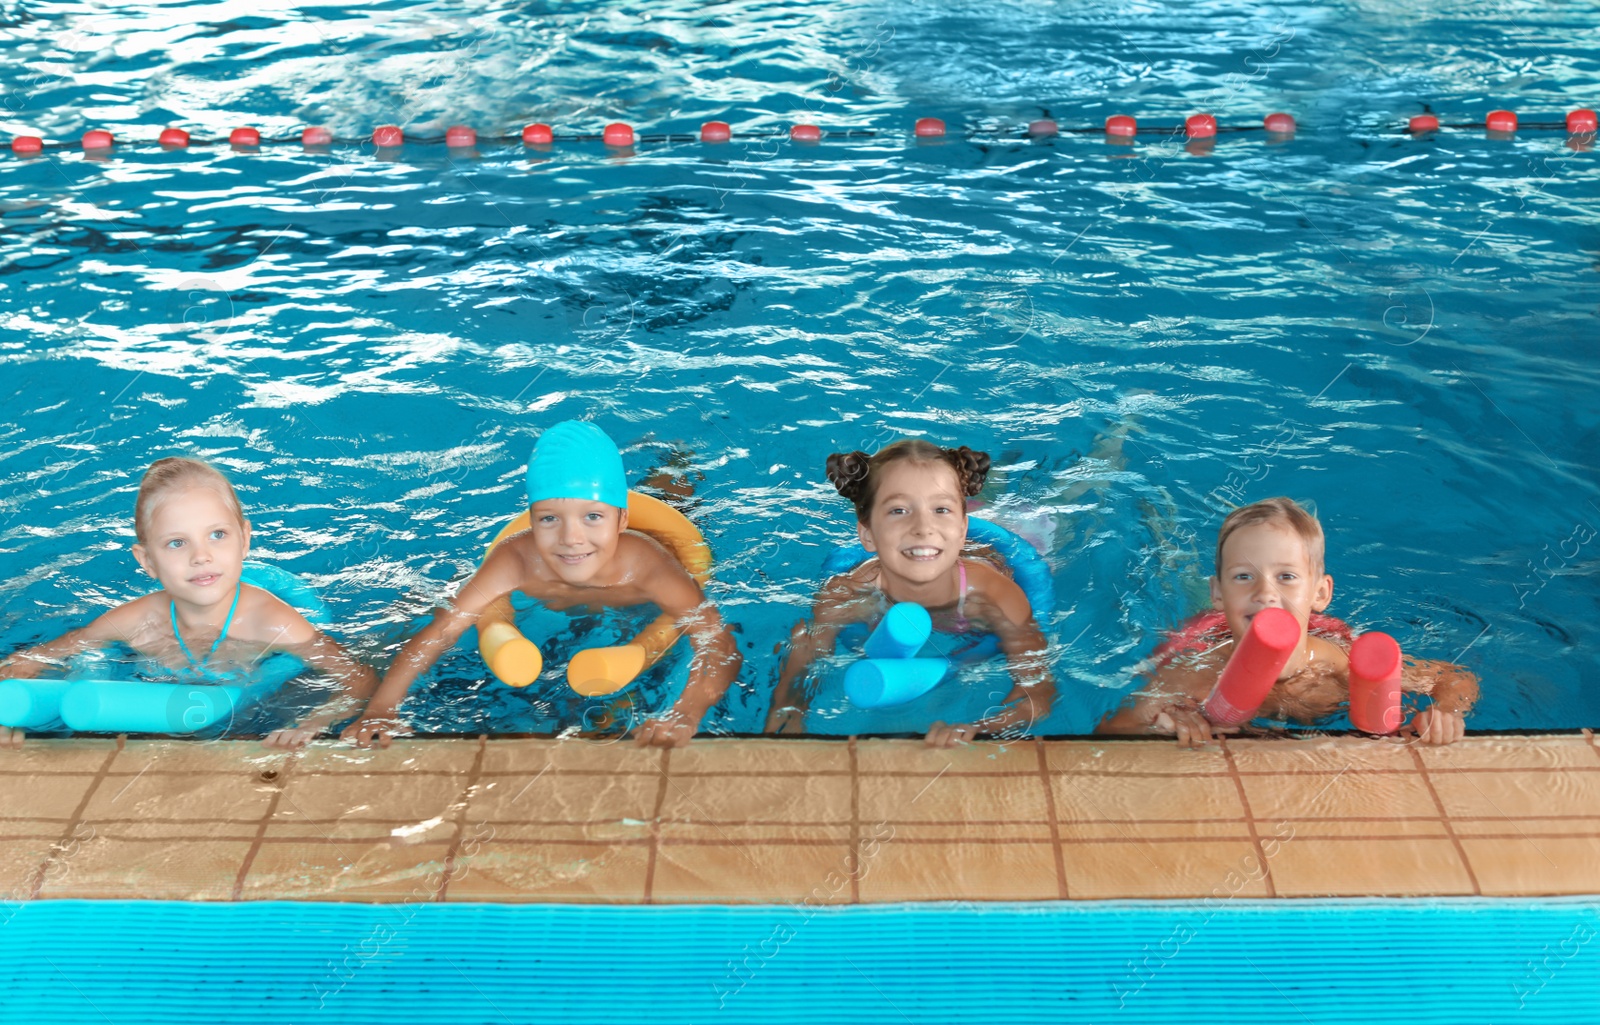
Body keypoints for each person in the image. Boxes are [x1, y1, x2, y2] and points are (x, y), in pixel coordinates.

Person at [342, 420, 740, 748]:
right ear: (531, 521)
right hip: (583, 588)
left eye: (593, 518)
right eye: (550, 519)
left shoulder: (646, 564)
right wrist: (382, 709)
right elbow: (443, 629)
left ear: (622, 520)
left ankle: (675, 458)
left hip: (658, 560)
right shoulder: (516, 557)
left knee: (674, 490)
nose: (571, 538)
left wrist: (685, 713)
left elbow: (717, 641)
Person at [0, 457, 377, 749]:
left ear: (244, 540)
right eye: (177, 543)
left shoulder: (273, 622)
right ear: (147, 561)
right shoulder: (136, 621)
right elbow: (30, 661)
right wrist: (10, 716)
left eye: (217, 535)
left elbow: (360, 680)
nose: (201, 556)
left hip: (261, 681)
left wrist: (313, 722)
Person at [1097, 497, 1479, 747]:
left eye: (1286, 577)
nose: (1265, 594)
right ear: (1219, 593)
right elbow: (1108, 732)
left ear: (1320, 594)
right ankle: (1160, 518)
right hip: (1208, 632)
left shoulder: (1341, 665)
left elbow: (1455, 677)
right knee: (1173, 572)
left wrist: (1447, 713)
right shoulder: (1196, 675)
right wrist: (1163, 724)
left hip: (1309, 637)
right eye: (1244, 577)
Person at [765, 439, 1055, 747]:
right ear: (867, 534)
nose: (922, 527)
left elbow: (1038, 692)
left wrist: (980, 727)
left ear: (962, 529)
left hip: (1021, 536)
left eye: (940, 509)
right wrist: (791, 709)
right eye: (899, 510)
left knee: (1051, 494)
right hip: (946, 547)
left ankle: (1101, 446)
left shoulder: (992, 597)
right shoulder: (847, 594)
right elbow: (808, 651)